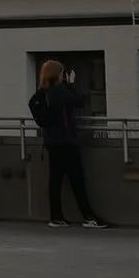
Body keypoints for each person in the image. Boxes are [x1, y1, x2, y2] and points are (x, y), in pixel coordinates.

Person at [29, 57, 105, 228]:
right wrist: (71, 84)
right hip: (66, 142)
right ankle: (88, 217)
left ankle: (56, 217)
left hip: (51, 142)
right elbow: (79, 102)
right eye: (63, 73)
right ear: (58, 74)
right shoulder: (60, 91)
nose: (64, 75)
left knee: (55, 180)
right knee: (77, 180)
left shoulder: (42, 93)